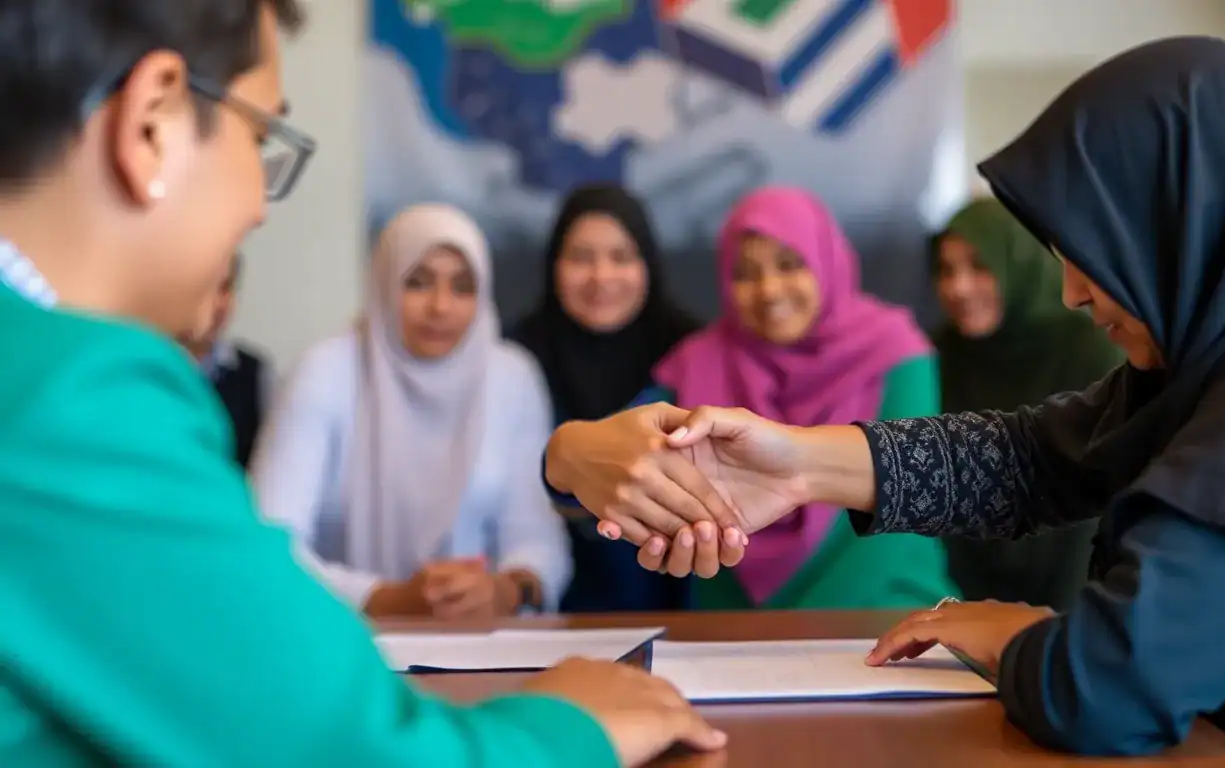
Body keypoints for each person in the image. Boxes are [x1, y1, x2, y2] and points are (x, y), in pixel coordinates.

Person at [543, 37, 1225, 763]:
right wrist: (796, 467)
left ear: (1190, 226)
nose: (1069, 292)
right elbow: (1039, 457)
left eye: (1096, 253)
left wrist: (1015, 631)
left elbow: (1103, 689)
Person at [0, 2, 723, 765]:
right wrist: (573, 724)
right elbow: (341, 748)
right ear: (152, 122)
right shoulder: (75, 398)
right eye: (259, 137)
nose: (256, 206)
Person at [562, 186, 956, 610]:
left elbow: (905, 511)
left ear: (826, 261)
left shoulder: (894, 353)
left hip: (886, 617)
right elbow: (611, 455)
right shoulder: (700, 364)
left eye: (789, 265)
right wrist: (566, 451)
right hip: (735, 637)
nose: (769, 290)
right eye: (745, 273)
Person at [251, 204, 570, 619]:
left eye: (462, 287)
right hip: (343, 635)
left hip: (480, 645)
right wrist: (384, 599)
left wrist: (505, 590)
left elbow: (537, 537)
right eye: (417, 283)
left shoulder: (511, 377)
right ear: (384, 283)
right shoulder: (326, 371)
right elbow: (270, 542)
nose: (440, 307)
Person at [511, 184, 698, 612]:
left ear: (647, 263)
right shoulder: (513, 360)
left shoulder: (690, 357)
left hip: (679, 613)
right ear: (553, 264)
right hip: (543, 615)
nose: (601, 277)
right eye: (581, 258)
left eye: (621, 257)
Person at [931, 198, 1123, 610]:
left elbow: (1094, 501)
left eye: (980, 267)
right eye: (946, 271)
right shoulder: (940, 353)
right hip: (960, 597)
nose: (958, 288)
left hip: (1076, 594)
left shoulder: (1091, 352)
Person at [178, 252, 274, 468]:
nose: (219, 303)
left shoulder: (254, 373)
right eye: (208, 287)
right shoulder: (147, 367)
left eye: (226, 288)